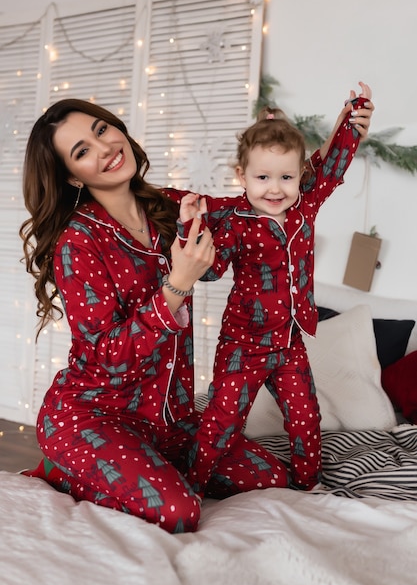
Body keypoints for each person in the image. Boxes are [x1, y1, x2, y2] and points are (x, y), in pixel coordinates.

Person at [20, 98, 295, 534]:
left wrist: (338, 139)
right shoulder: (79, 242)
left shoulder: (168, 206)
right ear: (73, 176)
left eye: (101, 130)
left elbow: (262, 197)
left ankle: (147, 467)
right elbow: (108, 354)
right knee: (179, 511)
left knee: (271, 477)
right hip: (95, 416)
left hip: (173, 422)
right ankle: (65, 468)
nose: (104, 146)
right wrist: (177, 283)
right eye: (82, 151)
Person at [177, 83, 374, 499]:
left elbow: (333, 168)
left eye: (286, 177)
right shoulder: (236, 221)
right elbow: (210, 273)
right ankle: (191, 484)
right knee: (223, 420)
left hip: (289, 341)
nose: (274, 188)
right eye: (262, 177)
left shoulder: (304, 207)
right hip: (243, 343)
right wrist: (189, 229)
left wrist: (353, 122)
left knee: (305, 417)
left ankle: (308, 484)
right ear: (242, 176)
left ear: (300, 175)